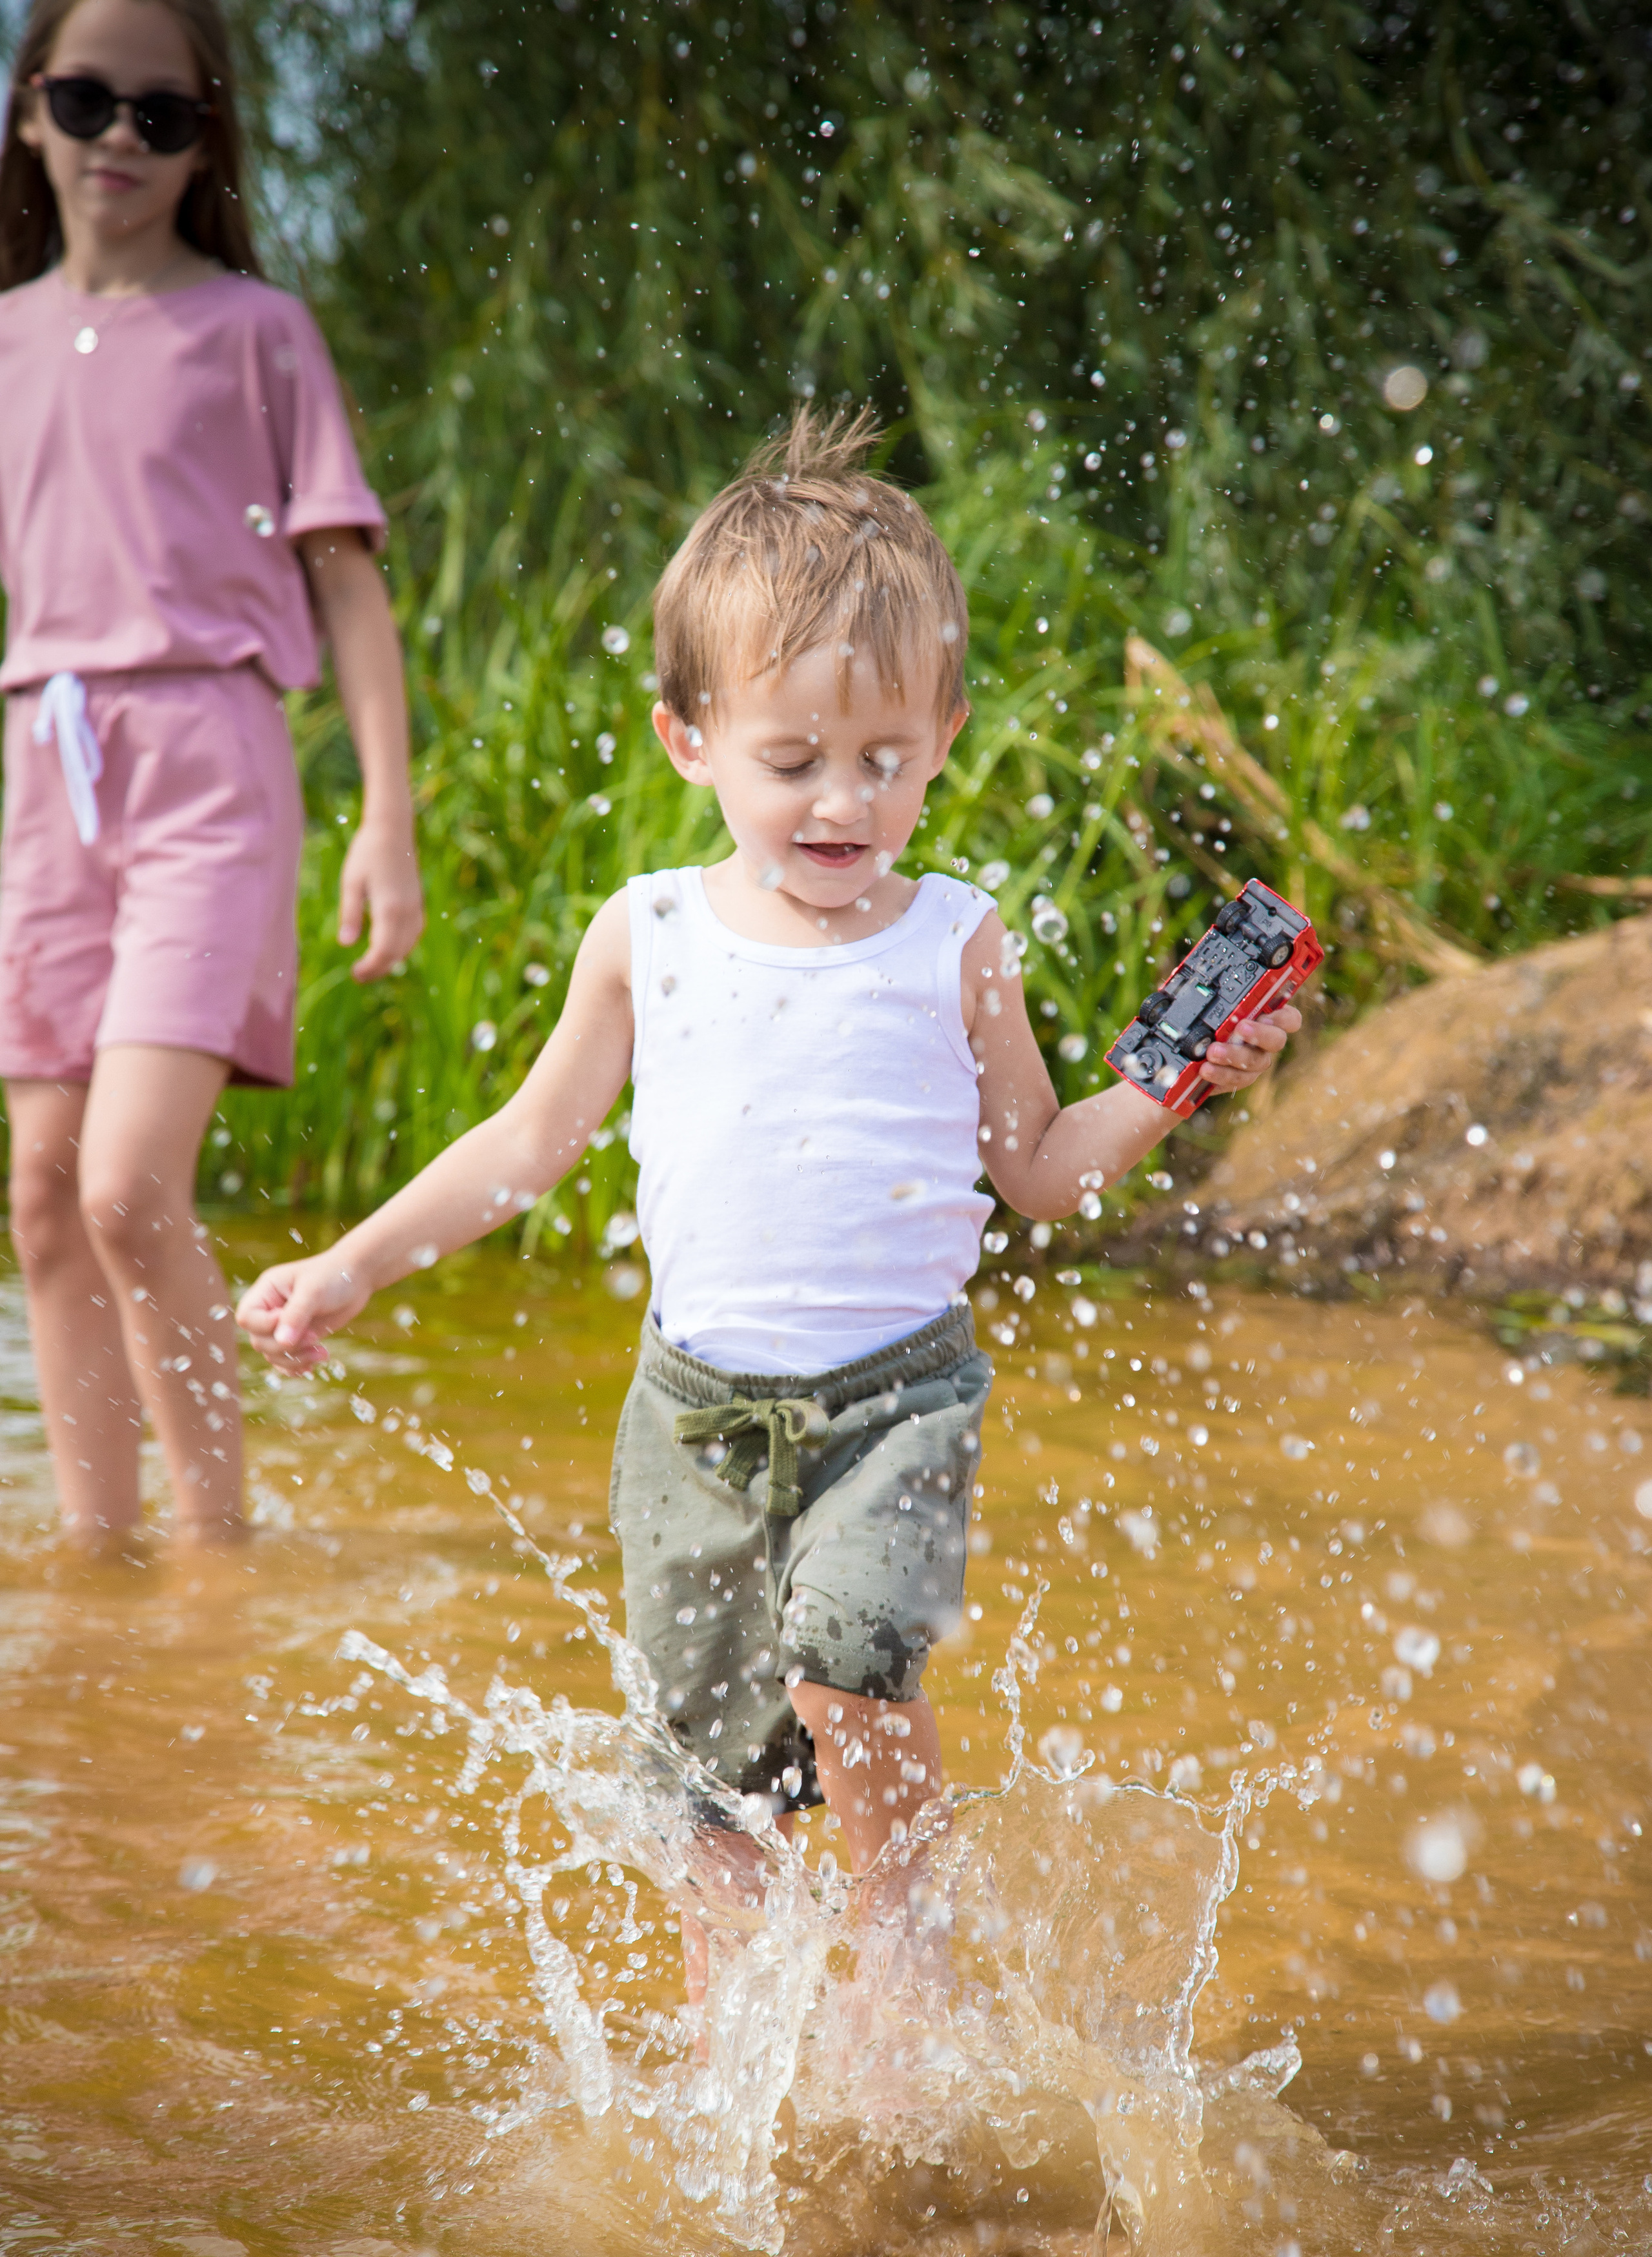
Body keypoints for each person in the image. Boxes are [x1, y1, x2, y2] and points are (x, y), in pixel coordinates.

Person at [237, 407, 1299, 1992]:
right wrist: (354, 1265)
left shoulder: (955, 937)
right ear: (689, 740)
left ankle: (901, 1966)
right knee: (704, 1785)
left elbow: (1036, 1171)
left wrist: (1173, 1083)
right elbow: (526, 1147)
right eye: (792, 761)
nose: (840, 804)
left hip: (897, 1402)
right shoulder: (648, 930)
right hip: (691, 1420)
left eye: (883, 762)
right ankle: (729, 2077)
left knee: (855, 1667)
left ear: (942, 733)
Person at [0, 0, 422, 1551]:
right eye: (88, 101)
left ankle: (213, 1556)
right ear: (31, 109)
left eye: (159, 116)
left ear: (205, 140)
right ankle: (95, 1571)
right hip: (42, 767)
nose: (119, 138)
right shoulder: (5, 342)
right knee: (43, 1198)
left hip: (207, 763)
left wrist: (388, 814)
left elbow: (347, 583)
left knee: (122, 1186)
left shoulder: (258, 332)